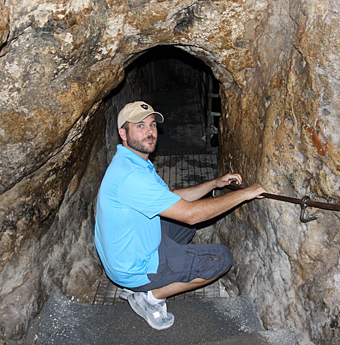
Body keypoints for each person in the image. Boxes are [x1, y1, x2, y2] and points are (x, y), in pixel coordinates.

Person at [94, 101, 266, 330]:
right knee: (221, 259)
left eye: (152, 125)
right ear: (123, 133)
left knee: (185, 227)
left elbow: (170, 197)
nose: (149, 131)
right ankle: (150, 296)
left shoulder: (131, 161)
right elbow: (192, 214)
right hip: (134, 267)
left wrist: (214, 183)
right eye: (140, 126)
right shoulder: (131, 176)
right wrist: (245, 194)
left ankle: (163, 268)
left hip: (126, 251)